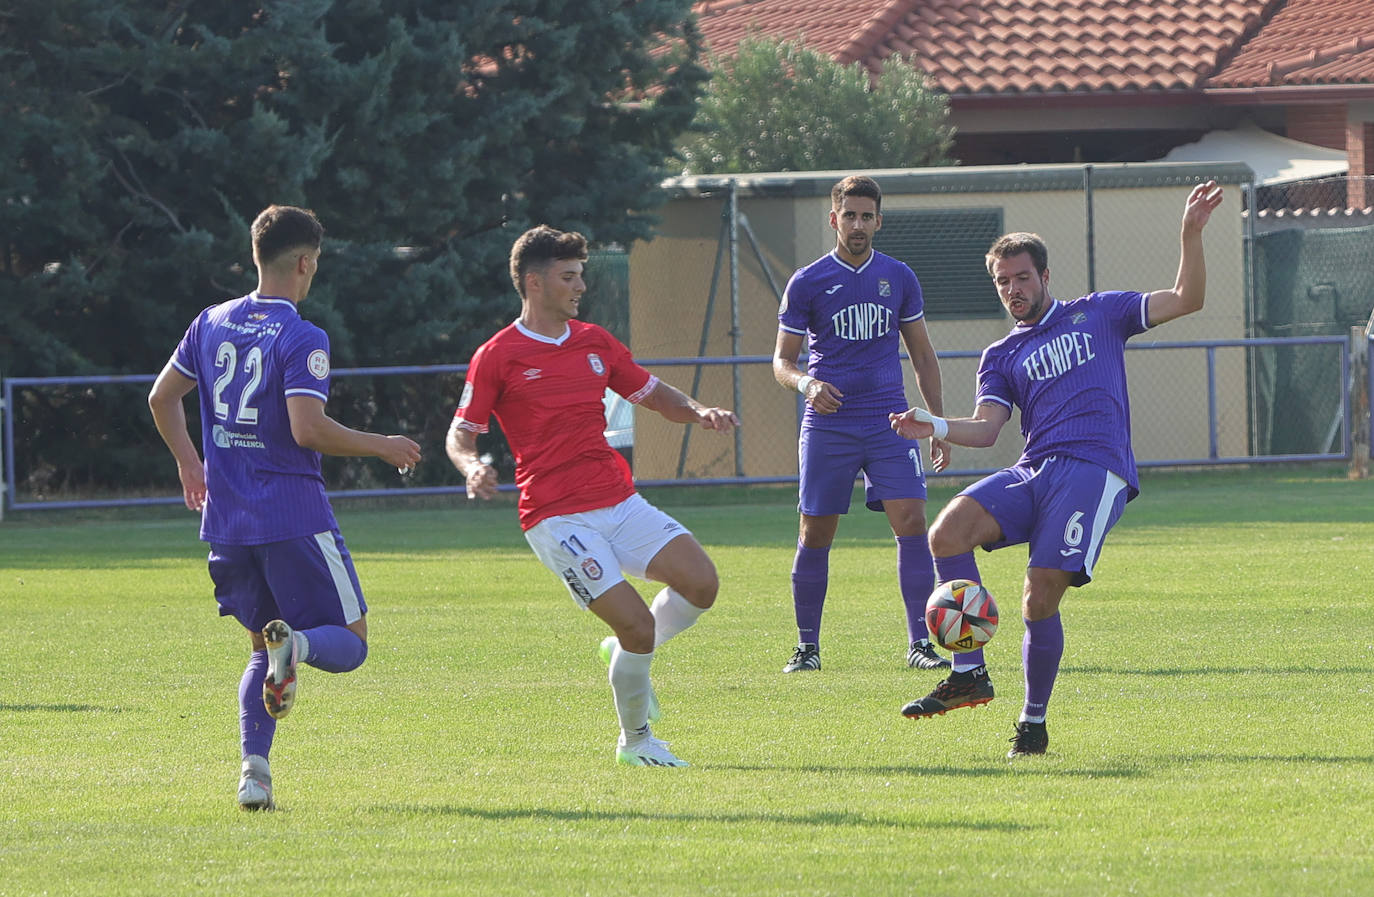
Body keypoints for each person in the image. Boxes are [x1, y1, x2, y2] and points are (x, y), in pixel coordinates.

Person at [890, 180, 1225, 757]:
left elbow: (1186, 298)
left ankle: (1033, 722)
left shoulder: (1099, 312)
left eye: (1022, 277)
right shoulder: (1001, 355)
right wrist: (936, 424)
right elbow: (988, 428)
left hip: (1095, 469)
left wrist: (1190, 235)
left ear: (1045, 276)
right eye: (1002, 282)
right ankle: (969, 672)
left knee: (1038, 595)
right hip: (1035, 469)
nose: (1013, 290)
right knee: (945, 532)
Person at [147, 205, 422, 809]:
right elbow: (307, 428)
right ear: (304, 263)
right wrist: (382, 445)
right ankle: (295, 648)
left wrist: (190, 465)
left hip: (228, 521)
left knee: (257, 647)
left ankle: (254, 775)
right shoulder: (302, 335)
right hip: (292, 515)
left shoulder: (210, 321)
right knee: (350, 642)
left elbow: (162, 397)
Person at [446, 224, 739, 768]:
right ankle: (637, 741)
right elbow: (462, 432)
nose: (580, 286)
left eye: (581, 275)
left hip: (618, 501)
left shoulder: (595, 342)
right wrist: (470, 467)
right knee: (638, 626)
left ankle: (627, 655)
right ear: (534, 283)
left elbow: (650, 392)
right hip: (556, 517)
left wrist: (697, 412)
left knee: (701, 582)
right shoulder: (498, 355)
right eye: (569, 276)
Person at [772, 175, 950, 674]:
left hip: (890, 421)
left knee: (913, 523)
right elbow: (782, 361)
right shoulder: (807, 281)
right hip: (829, 425)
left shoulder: (899, 276)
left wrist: (936, 422)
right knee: (816, 531)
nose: (857, 224)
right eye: (848, 215)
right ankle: (807, 647)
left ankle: (920, 643)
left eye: (866, 215)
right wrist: (807, 385)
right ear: (834, 219)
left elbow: (921, 353)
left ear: (878, 220)